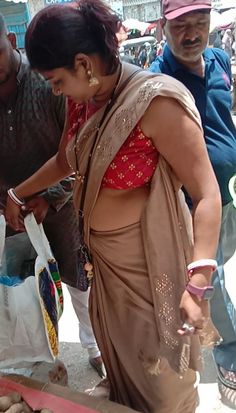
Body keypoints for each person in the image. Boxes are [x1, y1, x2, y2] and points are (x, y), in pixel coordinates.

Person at [5, 1, 222, 412]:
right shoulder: (83, 100)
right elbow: (68, 158)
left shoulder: (157, 103)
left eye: (56, 80)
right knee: (123, 374)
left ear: (84, 63)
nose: (54, 90)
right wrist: (18, 192)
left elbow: (207, 194)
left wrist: (197, 282)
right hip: (102, 267)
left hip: (148, 266)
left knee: (163, 384)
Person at [0, 13, 104, 380]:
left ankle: (95, 350)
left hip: (59, 208)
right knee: (20, 290)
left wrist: (50, 197)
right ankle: (31, 360)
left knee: (79, 284)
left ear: (11, 43)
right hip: (9, 214)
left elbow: (76, 154)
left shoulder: (50, 83)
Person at [149, 0, 236, 407]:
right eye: (182, 25)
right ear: (163, 28)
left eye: (200, 23)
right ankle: (229, 358)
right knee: (211, 282)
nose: (192, 34)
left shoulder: (219, 60)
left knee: (227, 269)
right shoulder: (156, 80)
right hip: (196, 205)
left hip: (231, 193)